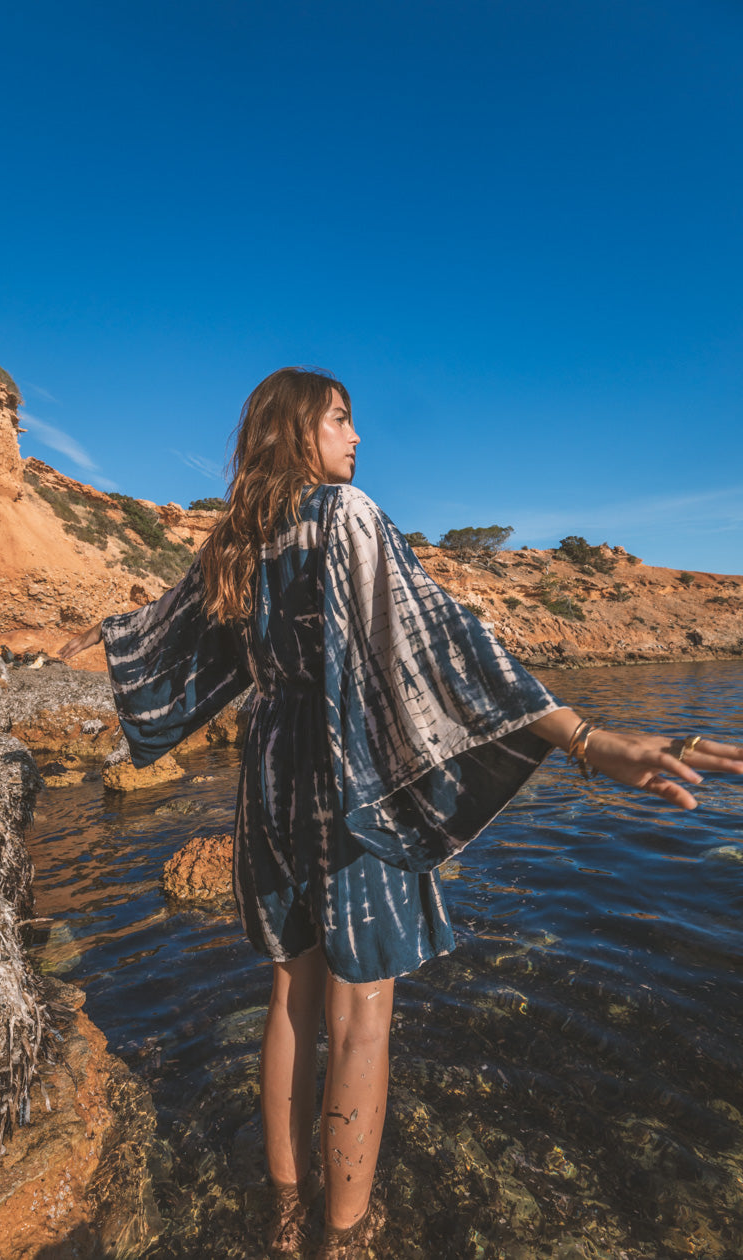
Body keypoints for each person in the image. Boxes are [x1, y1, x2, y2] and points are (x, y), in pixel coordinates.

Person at [59, 367, 743, 1259]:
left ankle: (283, 1212)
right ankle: (344, 1237)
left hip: (269, 771)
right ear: (298, 428)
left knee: (290, 997)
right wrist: (586, 738)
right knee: (361, 1011)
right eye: (341, 419)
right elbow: (446, 646)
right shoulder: (346, 515)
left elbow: (162, 646)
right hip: (348, 773)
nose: (355, 437)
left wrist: (89, 643)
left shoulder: (242, 534)